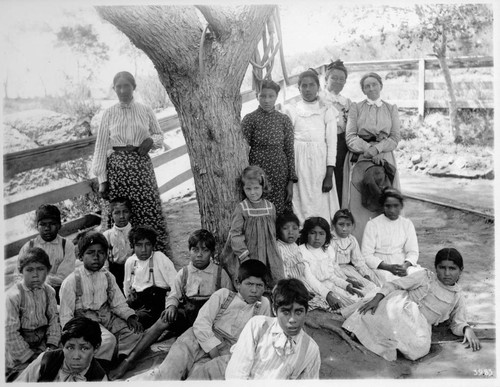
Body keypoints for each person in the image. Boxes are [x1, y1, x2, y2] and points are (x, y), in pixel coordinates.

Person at [108, 229, 233, 380]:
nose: (199, 255)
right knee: (164, 318)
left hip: (209, 319)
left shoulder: (220, 273)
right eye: (195, 250)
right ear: (189, 251)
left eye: (205, 250)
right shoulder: (185, 272)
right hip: (188, 314)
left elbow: (229, 301)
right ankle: (130, 360)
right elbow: (174, 294)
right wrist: (172, 306)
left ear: (212, 253)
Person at [134, 260, 271, 380]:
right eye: (249, 284)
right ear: (238, 283)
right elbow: (201, 323)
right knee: (172, 367)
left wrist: (221, 356)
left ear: (265, 287)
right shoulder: (223, 295)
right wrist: (213, 349)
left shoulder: (263, 305)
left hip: (228, 350)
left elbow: (258, 338)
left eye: (259, 286)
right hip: (198, 337)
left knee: (202, 375)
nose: (254, 290)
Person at [342, 248, 481, 361]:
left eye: (452, 268)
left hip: (420, 324)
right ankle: (361, 332)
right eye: (442, 268)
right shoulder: (425, 277)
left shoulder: (457, 296)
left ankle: (385, 341)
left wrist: (466, 329)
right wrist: (376, 299)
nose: (446, 273)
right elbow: (394, 284)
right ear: (436, 268)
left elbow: (458, 322)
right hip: (402, 307)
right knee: (388, 317)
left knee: (421, 347)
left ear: (461, 270)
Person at [92, 71, 169, 255]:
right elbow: (101, 146)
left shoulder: (145, 110)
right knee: (120, 214)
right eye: (118, 86)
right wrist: (102, 179)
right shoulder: (109, 113)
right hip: (117, 173)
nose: (122, 90)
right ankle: (121, 258)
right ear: (114, 89)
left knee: (146, 212)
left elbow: (159, 134)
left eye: (126, 85)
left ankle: (152, 256)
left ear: (133, 87)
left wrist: (150, 141)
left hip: (141, 170)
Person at [59, 230, 144, 369]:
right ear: (80, 256)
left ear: (106, 255)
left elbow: (117, 302)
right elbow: (66, 314)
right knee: (107, 340)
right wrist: (73, 335)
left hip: (107, 316)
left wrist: (129, 317)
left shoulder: (107, 276)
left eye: (101, 253)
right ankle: (98, 368)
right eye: (90, 253)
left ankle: (120, 358)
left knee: (135, 334)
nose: (96, 257)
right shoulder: (72, 281)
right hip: (85, 321)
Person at [343, 72, 401, 243]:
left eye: (374, 84)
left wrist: (377, 150)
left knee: (384, 200)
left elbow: (395, 137)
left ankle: (386, 245)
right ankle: (359, 246)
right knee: (359, 205)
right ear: (363, 90)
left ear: (380, 86)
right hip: (360, 157)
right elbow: (350, 136)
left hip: (384, 157)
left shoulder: (391, 108)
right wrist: (368, 149)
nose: (371, 88)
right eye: (367, 86)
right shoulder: (356, 107)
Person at [225, 278, 321, 379]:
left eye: (298, 312)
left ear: (306, 312)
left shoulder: (311, 350)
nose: (292, 319)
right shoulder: (258, 326)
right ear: (275, 311)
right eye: (286, 312)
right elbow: (236, 374)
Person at [284, 68, 339, 225]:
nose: (308, 89)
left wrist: (329, 174)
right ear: (299, 88)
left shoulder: (326, 109)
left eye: (311, 85)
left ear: (318, 87)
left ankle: (321, 235)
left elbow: (332, 143)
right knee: (299, 200)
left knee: (319, 200)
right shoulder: (292, 109)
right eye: (304, 86)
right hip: (298, 161)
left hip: (320, 163)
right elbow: (287, 141)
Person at [221, 165, 284, 290]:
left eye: (256, 188)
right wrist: (244, 255)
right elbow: (235, 234)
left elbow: (271, 231)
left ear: (263, 187)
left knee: (272, 277)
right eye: (248, 189)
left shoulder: (270, 207)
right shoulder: (242, 208)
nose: (252, 192)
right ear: (243, 188)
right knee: (250, 277)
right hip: (249, 251)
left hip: (267, 250)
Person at [242, 79, 297, 215]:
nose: (266, 100)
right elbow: (242, 148)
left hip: (280, 172)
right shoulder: (250, 119)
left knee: (279, 208)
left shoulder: (283, 120)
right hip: (258, 171)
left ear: (276, 97)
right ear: (257, 96)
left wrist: (290, 181)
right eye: (263, 96)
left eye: (271, 96)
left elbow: (289, 150)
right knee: (259, 206)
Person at [5, 248, 61, 381]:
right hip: (20, 347)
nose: (35, 275)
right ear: (21, 271)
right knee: (30, 374)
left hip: (42, 341)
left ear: (48, 270)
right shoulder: (13, 296)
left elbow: (54, 320)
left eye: (40, 269)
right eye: (29, 270)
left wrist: (51, 346)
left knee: (61, 363)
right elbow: (10, 332)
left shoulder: (49, 291)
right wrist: (32, 357)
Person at [275, 212, 343, 311]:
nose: (291, 232)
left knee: (326, 305)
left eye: (294, 228)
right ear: (278, 230)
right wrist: (300, 291)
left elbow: (306, 274)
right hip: (291, 290)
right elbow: (284, 276)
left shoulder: (294, 246)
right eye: (285, 228)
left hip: (304, 285)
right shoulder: (279, 248)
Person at [298, 217, 364, 310]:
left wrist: (346, 285)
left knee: (357, 298)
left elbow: (332, 276)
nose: (317, 238)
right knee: (339, 307)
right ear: (306, 234)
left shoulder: (328, 249)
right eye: (313, 233)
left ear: (326, 235)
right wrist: (328, 295)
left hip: (330, 285)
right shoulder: (301, 251)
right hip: (313, 289)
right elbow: (310, 279)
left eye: (321, 234)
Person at [16, 316, 107, 382]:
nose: (75, 356)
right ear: (63, 346)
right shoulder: (46, 360)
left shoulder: (99, 378)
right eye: (70, 347)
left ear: (96, 348)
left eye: (84, 349)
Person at [17, 204, 76, 303]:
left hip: (58, 292)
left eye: (52, 224)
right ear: (37, 226)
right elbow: (18, 273)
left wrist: (43, 281)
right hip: (32, 292)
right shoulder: (29, 247)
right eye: (43, 224)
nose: (47, 228)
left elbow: (65, 275)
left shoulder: (66, 245)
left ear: (59, 225)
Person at [362, 188, 419, 284]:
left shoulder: (407, 224)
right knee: (391, 282)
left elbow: (413, 252)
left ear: (401, 206)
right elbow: (366, 255)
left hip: (401, 264)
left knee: (421, 277)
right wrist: (387, 267)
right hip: (380, 266)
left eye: (396, 206)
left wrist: (405, 265)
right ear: (382, 207)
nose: (392, 210)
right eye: (388, 206)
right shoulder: (373, 224)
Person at [124, 225, 177, 329]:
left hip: (155, 305)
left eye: (147, 245)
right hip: (137, 303)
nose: (143, 249)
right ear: (132, 246)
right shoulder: (130, 262)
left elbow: (176, 283)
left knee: (137, 322)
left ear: (153, 245)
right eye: (139, 245)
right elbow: (126, 286)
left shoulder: (159, 258)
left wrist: (171, 305)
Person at [320, 59, 352, 204]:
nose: (338, 81)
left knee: (340, 177)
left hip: (342, 142)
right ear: (326, 79)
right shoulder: (320, 99)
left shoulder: (346, 102)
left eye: (342, 79)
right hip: (323, 141)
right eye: (334, 78)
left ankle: (338, 209)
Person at [331, 209, 380, 288]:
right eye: (341, 224)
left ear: (352, 225)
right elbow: (332, 265)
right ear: (333, 225)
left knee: (373, 281)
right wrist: (346, 279)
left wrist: (365, 275)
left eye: (348, 225)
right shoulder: (331, 240)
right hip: (335, 272)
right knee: (360, 289)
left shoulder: (351, 240)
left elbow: (358, 261)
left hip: (349, 269)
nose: (344, 229)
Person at [103, 197, 134, 292]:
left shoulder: (135, 233)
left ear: (130, 213)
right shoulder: (107, 235)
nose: (121, 216)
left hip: (134, 271)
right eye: (117, 213)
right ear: (111, 215)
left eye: (125, 212)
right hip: (115, 272)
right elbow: (105, 261)